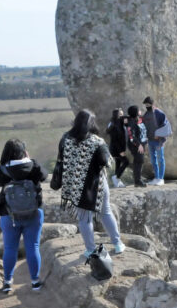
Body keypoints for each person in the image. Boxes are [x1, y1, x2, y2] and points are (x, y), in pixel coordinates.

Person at [52, 109, 126, 258]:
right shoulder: (96, 141)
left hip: (76, 186)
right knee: (105, 212)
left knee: (84, 219)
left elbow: (61, 158)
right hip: (97, 185)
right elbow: (107, 163)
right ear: (92, 123)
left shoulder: (65, 138)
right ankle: (117, 244)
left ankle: (91, 250)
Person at [0, 139, 48, 294]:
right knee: (33, 247)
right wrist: (30, 159)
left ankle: (7, 283)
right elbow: (44, 176)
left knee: (10, 248)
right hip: (33, 213)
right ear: (24, 151)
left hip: (9, 214)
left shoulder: (3, 170)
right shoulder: (33, 165)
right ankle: (35, 282)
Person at [142, 96, 167, 185]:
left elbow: (165, 126)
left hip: (159, 141)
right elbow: (144, 126)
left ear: (152, 104)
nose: (146, 106)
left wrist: (158, 135)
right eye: (145, 104)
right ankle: (156, 178)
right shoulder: (146, 114)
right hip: (150, 141)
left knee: (161, 159)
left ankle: (161, 178)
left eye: (148, 104)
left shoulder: (159, 113)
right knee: (153, 160)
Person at [125, 105, 147, 188]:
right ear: (136, 112)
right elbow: (131, 137)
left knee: (139, 161)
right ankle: (137, 181)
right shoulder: (131, 122)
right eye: (139, 110)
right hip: (136, 145)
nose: (140, 111)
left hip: (140, 144)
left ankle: (137, 180)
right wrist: (139, 145)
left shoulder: (138, 119)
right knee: (138, 161)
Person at [106, 108, 129, 188]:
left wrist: (125, 124)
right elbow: (115, 139)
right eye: (121, 115)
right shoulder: (114, 125)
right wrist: (120, 151)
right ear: (116, 115)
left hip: (118, 148)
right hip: (116, 149)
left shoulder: (118, 123)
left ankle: (117, 182)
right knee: (126, 162)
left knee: (118, 164)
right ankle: (116, 177)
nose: (123, 116)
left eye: (123, 114)